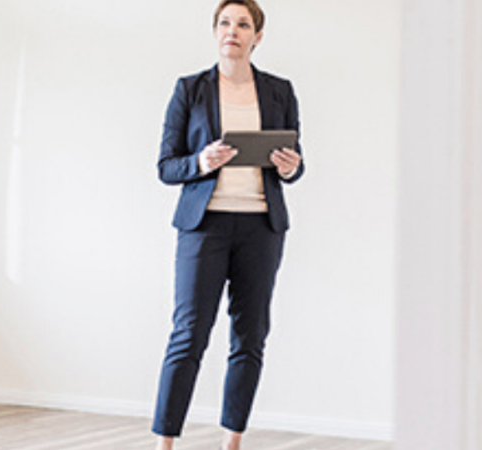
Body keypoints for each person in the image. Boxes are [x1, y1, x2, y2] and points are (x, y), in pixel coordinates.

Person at [152, 1, 304, 449]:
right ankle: (164, 443)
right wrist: (201, 161)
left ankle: (231, 441)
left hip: (261, 228)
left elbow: (295, 164)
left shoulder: (279, 91)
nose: (232, 30)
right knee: (188, 335)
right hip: (204, 228)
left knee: (250, 337)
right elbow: (165, 165)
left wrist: (292, 167)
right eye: (224, 23)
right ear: (214, 32)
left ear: (257, 36)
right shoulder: (190, 89)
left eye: (243, 24)